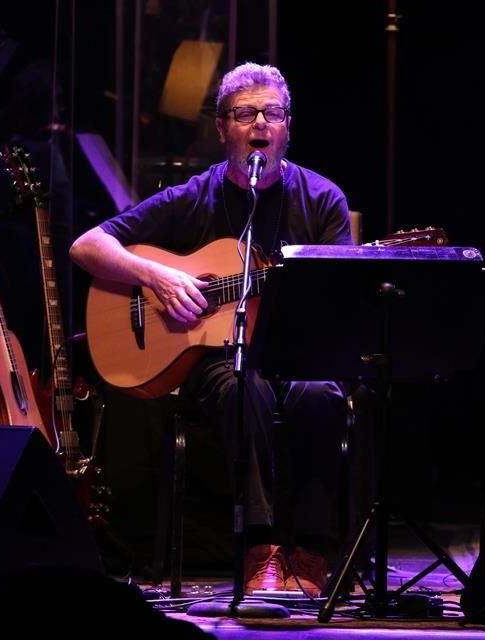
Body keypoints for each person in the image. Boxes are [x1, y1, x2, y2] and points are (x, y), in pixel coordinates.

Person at [69, 62, 352, 597]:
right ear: (222, 128)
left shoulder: (321, 200)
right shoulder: (192, 198)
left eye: (272, 113)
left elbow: (335, 302)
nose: (260, 123)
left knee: (321, 394)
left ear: (288, 126)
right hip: (215, 363)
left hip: (298, 357)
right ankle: (261, 548)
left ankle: (311, 552)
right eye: (245, 114)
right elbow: (87, 245)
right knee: (243, 385)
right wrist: (157, 275)